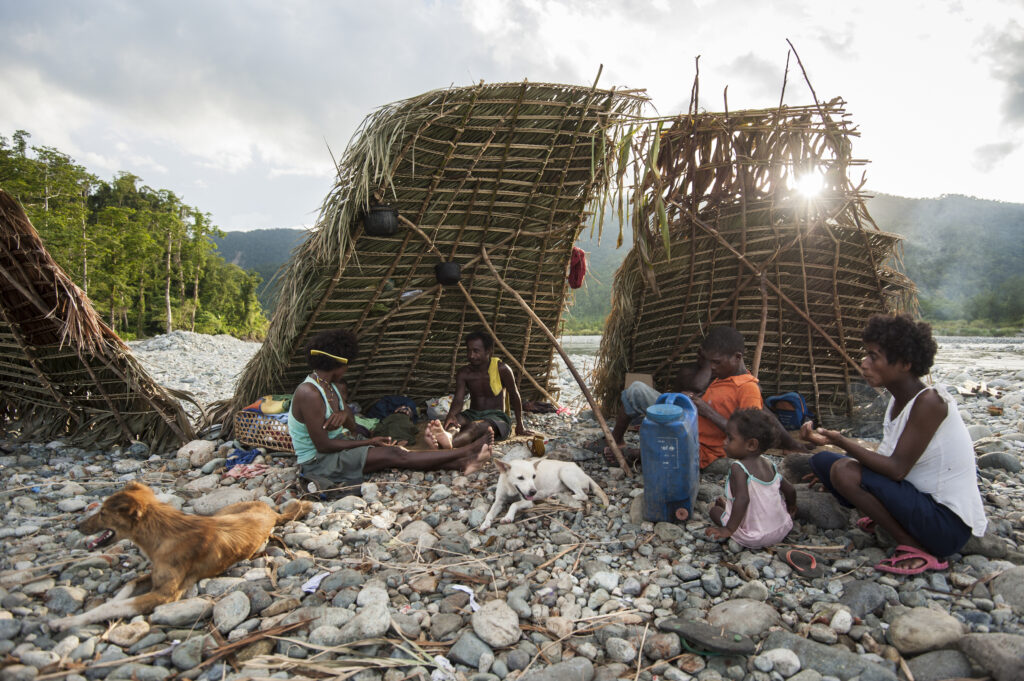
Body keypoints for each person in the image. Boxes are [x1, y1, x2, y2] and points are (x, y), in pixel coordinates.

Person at [802, 314, 987, 574]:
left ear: (905, 364)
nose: (864, 363)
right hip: (920, 502)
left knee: (844, 471)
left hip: (945, 526)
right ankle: (883, 517)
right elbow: (887, 460)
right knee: (822, 462)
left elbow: (896, 469)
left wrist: (841, 441)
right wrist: (829, 445)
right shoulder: (897, 401)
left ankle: (913, 546)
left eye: (874, 357)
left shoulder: (930, 402)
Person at [288, 329, 493, 493]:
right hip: (319, 462)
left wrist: (344, 415)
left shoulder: (332, 386)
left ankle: (464, 462)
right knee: (396, 454)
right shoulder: (309, 393)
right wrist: (369, 442)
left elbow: (351, 425)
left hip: (340, 448)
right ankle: (468, 451)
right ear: (339, 363)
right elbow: (323, 445)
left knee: (395, 451)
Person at [605, 326, 806, 469]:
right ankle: (624, 447)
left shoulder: (748, 388)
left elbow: (750, 435)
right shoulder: (722, 379)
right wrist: (689, 399)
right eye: (709, 363)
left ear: (737, 357)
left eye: (716, 362)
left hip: (702, 447)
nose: (712, 368)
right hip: (687, 429)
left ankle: (632, 454)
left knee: (666, 451)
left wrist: (706, 411)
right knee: (637, 391)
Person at [705, 408, 796, 548]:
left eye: (730, 438)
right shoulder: (769, 463)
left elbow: (743, 499)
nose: (724, 442)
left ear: (751, 445)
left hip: (756, 537)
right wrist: (791, 507)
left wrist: (728, 529)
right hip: (781, 529)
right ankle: (729, 509)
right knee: (727, 503)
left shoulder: (739, 468)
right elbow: (790, 490)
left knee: (714, 511)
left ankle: (730, 521)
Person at [428, 329, 532, 448]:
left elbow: (514, 395)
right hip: (472, 414)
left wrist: (520, 425)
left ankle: (447, 444)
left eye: (476, 351)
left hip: (496, 417)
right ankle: (448, 436)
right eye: (469, 351)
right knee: (455, 422)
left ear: (488, 351)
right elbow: (458, 400)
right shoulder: (464, 373)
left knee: (474, 427)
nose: (471, 355)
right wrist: (452, 414)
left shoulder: (502, 369)